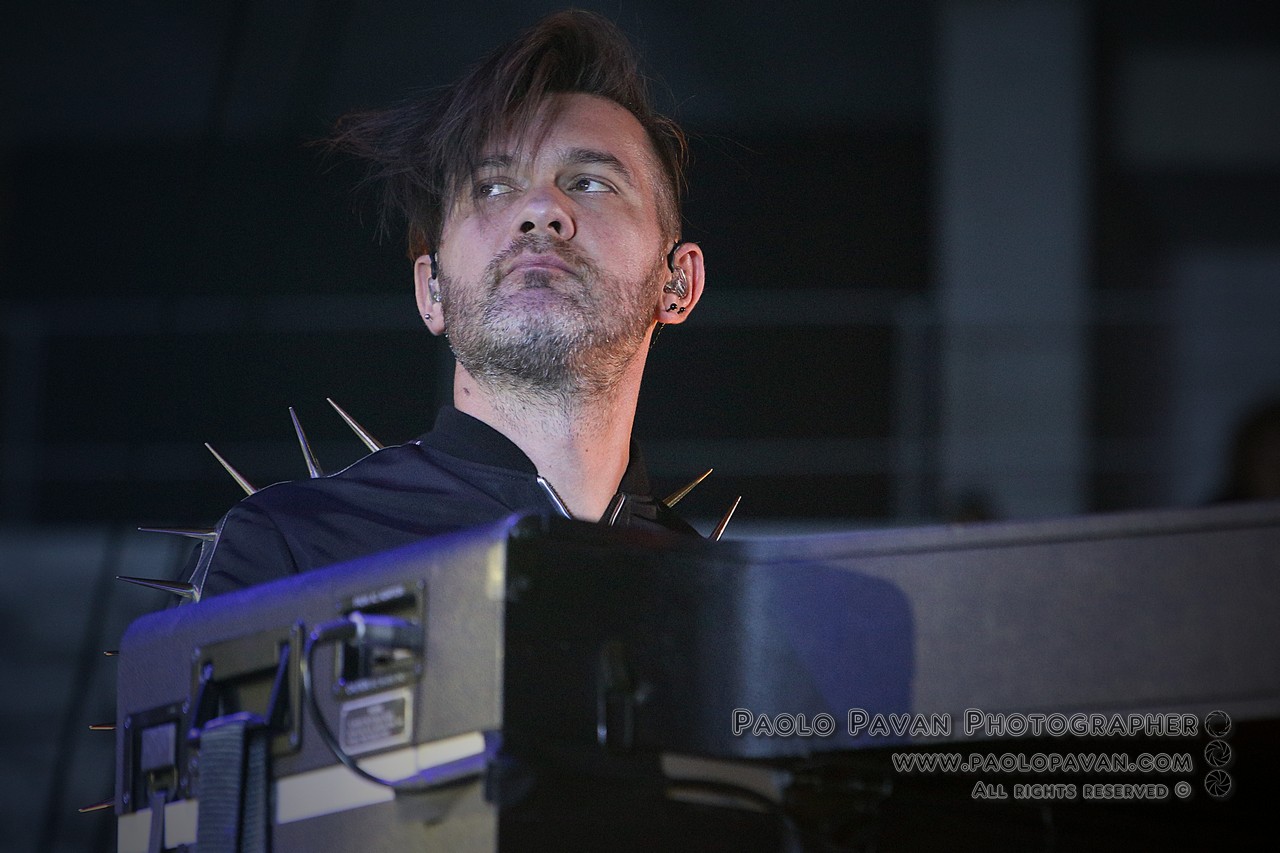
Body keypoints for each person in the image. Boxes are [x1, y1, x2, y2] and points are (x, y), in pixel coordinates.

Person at [189, 11, 706, 597]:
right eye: (492, 187)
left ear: (677, 282)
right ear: (430, 290)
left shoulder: (720, 600)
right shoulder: (293, 549)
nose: (540, 210)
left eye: (590, 182)